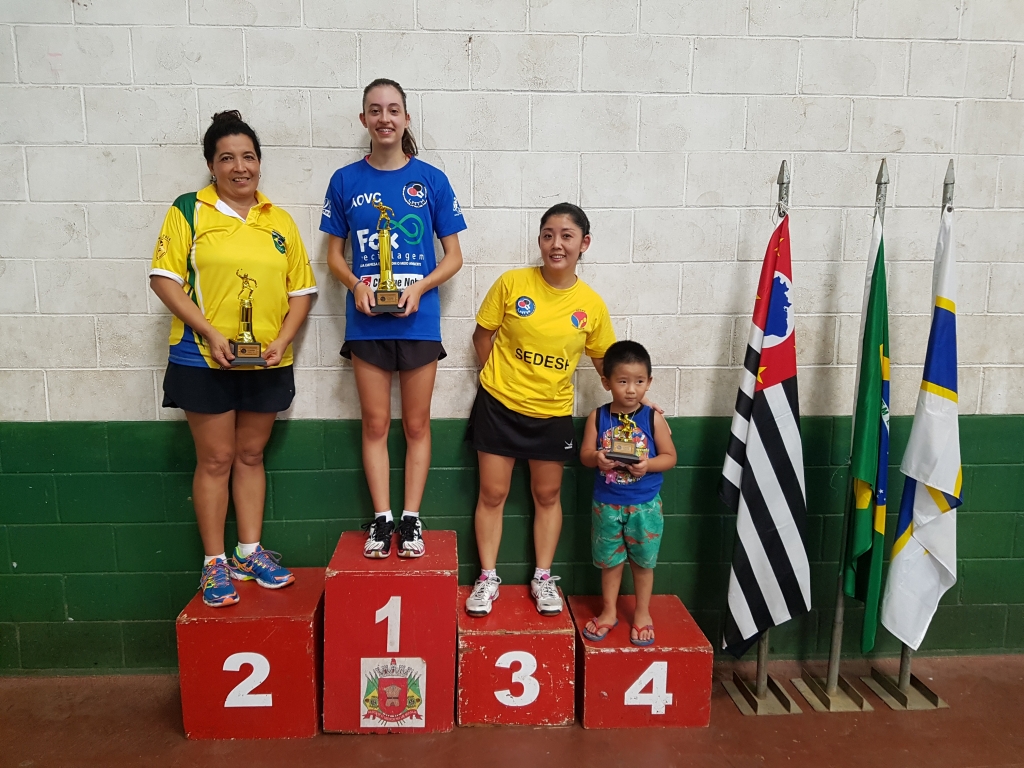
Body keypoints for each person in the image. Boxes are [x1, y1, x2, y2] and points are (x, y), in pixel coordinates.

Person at [149, 111, 317, 607]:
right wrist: (209, 331)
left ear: (259, 162)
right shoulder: (188, 210)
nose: (239, 167)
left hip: (266, 362)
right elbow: (164, 281)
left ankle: (248, 552)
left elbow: (302, 292)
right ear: (211, 165)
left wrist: (283, 340)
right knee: (216, 458)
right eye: (227, 158)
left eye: (248, 157)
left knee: (250, 455)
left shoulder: (279, 220)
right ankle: (214, 563)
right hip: (202, 358)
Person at [320, 78, 465, 559]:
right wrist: (356, 285)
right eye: (375, 110)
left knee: (417, 425)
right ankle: (382, 519)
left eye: (393, 109)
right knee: (376, 423)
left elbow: (453, 257)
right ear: (364, 119)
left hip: (418, 323)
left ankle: (411, 519)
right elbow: (334, 256)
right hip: (367, 324)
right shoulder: (345, 181)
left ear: (406, 118)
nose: (385, 118)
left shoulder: (432, 180)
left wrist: (420, 287)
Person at [465, 203, 616, 618]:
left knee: (547, 495)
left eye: (567, 236)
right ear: (540, 241)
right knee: (492, 494)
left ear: (584, 244)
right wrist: (496, 380)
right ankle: (487, 577)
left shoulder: (591, 305)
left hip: (552, 414)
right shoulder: (512, 283)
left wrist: (636, 398)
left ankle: (543, 577)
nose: (556, 244)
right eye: (548, 235)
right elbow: (482, 336)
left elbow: (606, 365)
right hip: (499, 407)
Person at [578, 341, 676, 646]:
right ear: (606, 382)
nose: (631, 389)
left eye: (639, 381)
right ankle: (609, 611)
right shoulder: (598, 417)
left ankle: (642, 613)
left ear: (649, 382)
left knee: (644, 563)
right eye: (622, 381)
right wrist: (597, 458)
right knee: (609, 561)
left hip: (644, 506)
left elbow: (670, 457)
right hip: (606, 504)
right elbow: (584, 455)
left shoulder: (652, 418)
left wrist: (647, 465)